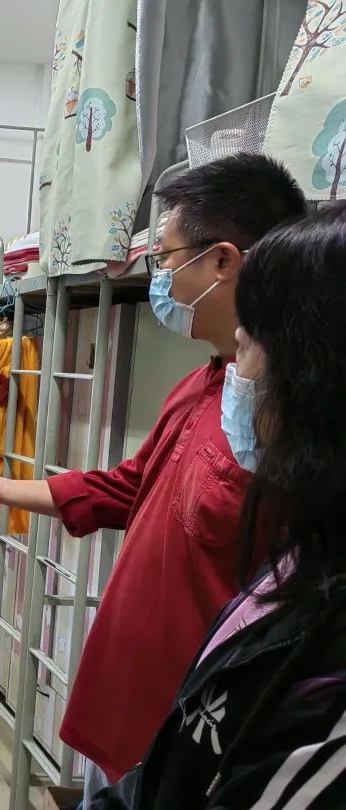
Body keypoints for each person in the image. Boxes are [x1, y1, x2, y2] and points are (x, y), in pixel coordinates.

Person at [0, 154, 307, 799]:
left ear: (222, 261)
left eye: (166, 256)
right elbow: (128, 488)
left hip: (198, 728)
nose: (158, 275)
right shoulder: (202, 385)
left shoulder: (285, 423)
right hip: (132, 701)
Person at [87, 202, 346, 808]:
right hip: (159, 731)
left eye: (250, 341)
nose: (240, 367)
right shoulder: (306, 562)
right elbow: (131, 484)